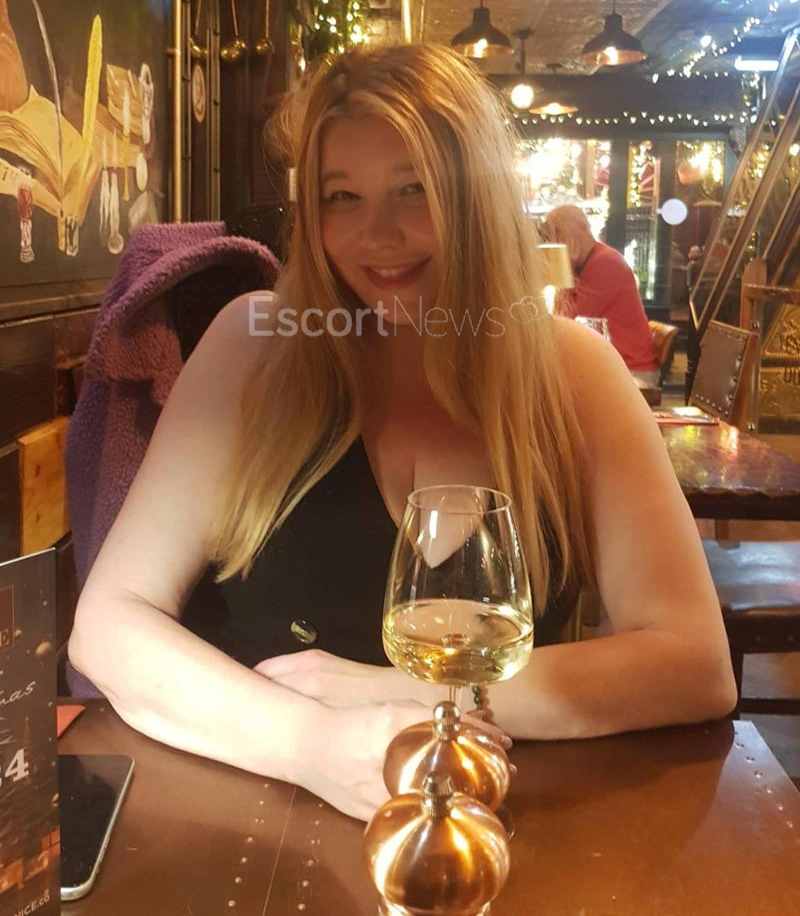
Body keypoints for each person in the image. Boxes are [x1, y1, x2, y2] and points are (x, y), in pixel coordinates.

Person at [69, 45, 735, 822]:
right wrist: (312, 745)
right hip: (253, 825)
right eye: (342, 197)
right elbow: (108, 625)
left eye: (413, 189)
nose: (377, 235)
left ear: (478, 197)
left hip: (503, 823)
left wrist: (409, 694)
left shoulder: (573, 372)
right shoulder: (255, 347)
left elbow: (695, 665)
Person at [541, 204, 660, 385]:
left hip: (631, 370)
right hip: (608, 364)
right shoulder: (582, 264)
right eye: (549, 234)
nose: (554, 240)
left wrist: (565, 267)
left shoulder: (607, 263)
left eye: (558, 231)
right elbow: (559, 317)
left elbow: (572, 323)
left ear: (582, 228)